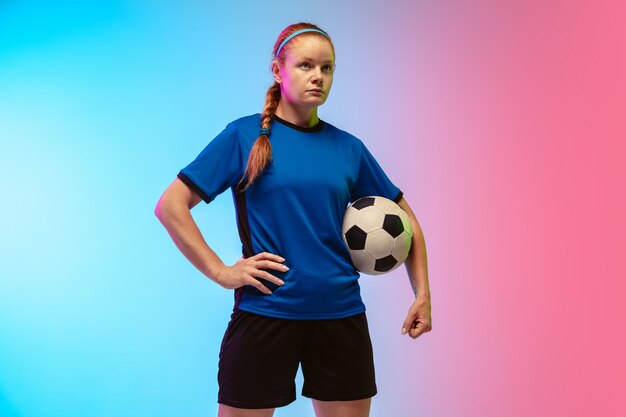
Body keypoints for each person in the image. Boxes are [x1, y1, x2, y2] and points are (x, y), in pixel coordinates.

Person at [154, 22, 432, 417]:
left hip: (341, 317)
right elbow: (171, 206)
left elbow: (405, 219)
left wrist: (422, 294)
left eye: (327, 68)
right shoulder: (243, 136)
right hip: (266, 314)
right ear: (278, 70)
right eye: (305, 65)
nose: (318, 76)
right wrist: (220, 271)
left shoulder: (348, 148)